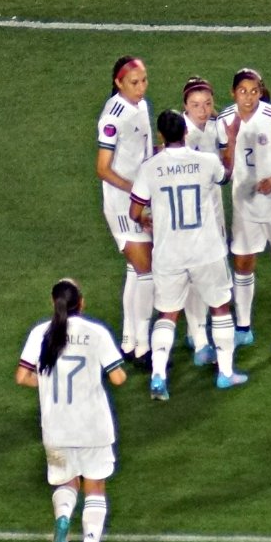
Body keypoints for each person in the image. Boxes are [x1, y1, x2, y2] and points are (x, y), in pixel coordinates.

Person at [130, 110, 249, 398]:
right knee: (220, 307)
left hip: (169, 253)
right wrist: (230, 141)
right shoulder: (206, 162)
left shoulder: (150, 168)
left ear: (161, 135)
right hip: (206, 251)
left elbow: (135, 211)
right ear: (185, 131)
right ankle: (225, 372)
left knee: (167, 314)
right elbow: (227, 174)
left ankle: (158, 376)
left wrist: (146, 219)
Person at [15, 278, 127, 542]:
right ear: (82, 302)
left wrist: (48, 381)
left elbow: (22, 377)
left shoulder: (41, 333)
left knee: (66, 483)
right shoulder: (96, 333)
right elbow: (118, 378)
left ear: (55, 303)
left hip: (56, 430)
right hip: (93, 428)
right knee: (95, 487)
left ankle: (64, 516)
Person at [216, 68, 271, 354]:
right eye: (243, 91)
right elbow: (226, 167)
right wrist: (230, 140)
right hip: (246, 207)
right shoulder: (223, 121)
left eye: (253, 91)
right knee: (243, 263)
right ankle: (243, 328)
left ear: (260, 92)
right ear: (233, 93)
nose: (248, 97)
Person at [96, 55, 155, 366]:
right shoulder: (112, 117)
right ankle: (144, 348)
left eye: (144, 80)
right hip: (123, 205)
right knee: (147, 272)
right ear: (118, 83)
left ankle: (129, 342)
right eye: (134, 82)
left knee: (136, 272)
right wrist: (136, 192)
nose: (141, 88)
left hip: (138, 199)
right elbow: (103, 169)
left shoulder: (141, 106)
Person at [180, 76, 235, 367]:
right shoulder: (181, 132)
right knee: (193, 272)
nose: (203, 110)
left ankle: (198, 332)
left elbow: (227, 159)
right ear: (185, 107)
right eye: (196, 105)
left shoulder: (217, 126)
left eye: (208, 104)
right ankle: (198, 334)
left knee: (210, 265)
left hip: (213, 208)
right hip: (188, 214)